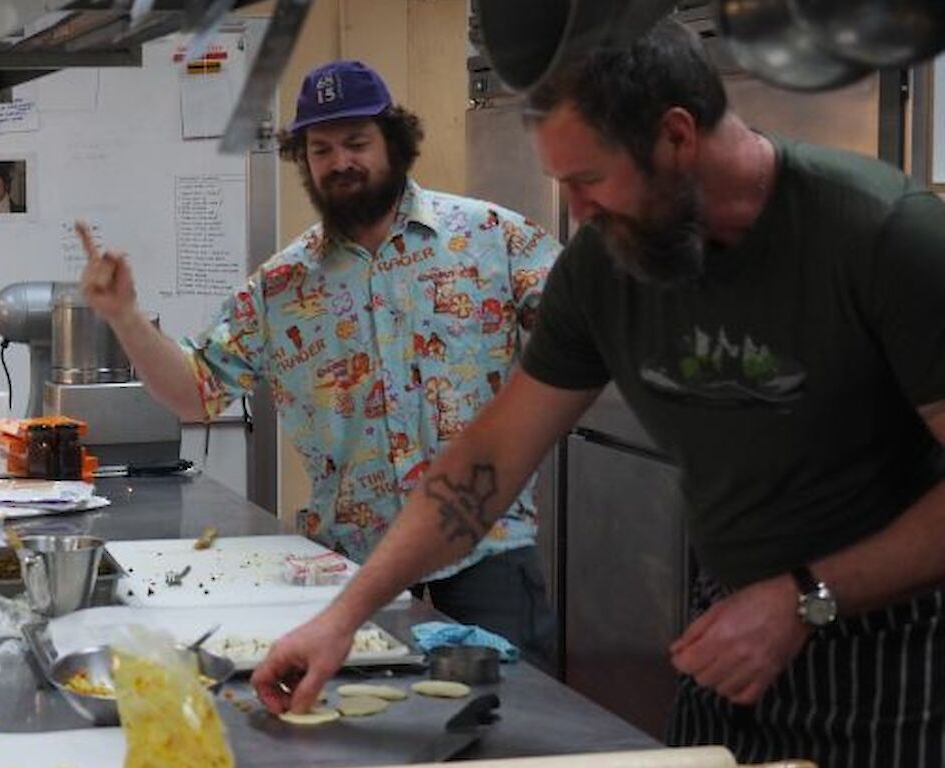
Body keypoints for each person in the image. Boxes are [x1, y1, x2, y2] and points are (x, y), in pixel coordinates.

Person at [251, 21, 945, 763]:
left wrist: (806, 598)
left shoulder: (883, 238)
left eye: (588, 180)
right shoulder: (607, 268)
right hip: (732, 633)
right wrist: (344, 620)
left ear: (676, 137)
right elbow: (487, 460)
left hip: (895, 656)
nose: (576, 211)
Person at [76, 60, 562, 663]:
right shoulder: (283, 285)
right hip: (350, 571)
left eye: (356, 143)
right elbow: (194, 393)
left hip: (487, 561)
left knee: (512, 738)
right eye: (320, 149)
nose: (339, 162)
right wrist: (124, 314)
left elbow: (584, 328)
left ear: (395, 145)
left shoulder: (491, 237)